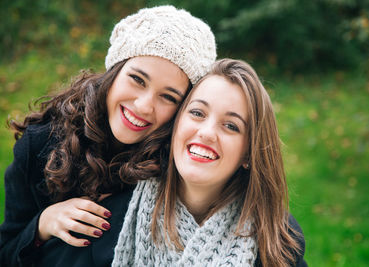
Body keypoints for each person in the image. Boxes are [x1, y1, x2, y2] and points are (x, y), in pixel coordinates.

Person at [0, 5, 216, 266]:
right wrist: (42, 224)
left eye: (168, 97)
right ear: (114, 72)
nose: (144, 106)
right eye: (137, 79)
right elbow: (7, 251)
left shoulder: (181, 164)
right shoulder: (41, 142)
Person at [112, 59, 307, 267]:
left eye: (231, 126)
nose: (207, 133)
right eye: (197, 113)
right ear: (176, 123)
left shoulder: (276, 242)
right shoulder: (108, 214)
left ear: (249, 154)